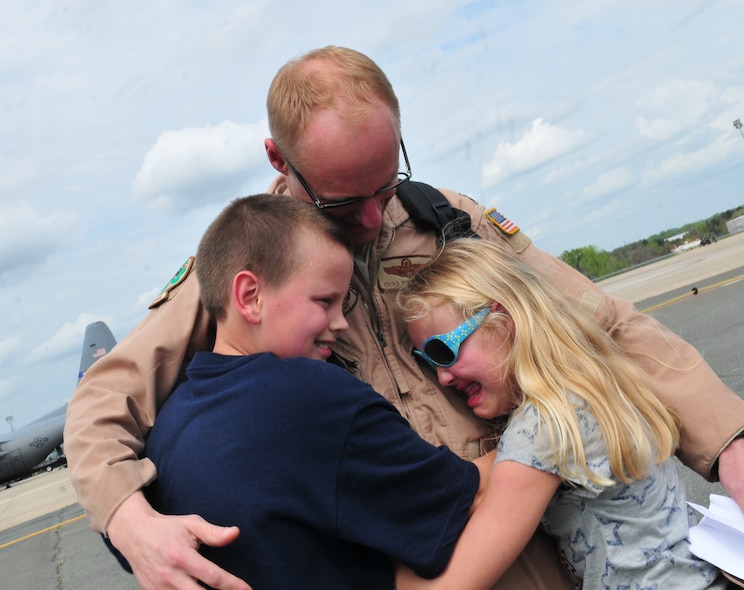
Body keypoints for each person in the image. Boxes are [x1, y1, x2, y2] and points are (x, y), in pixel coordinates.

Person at [64, 46, 744, 589]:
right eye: (340, 202)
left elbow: (601, 324)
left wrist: (729, 442)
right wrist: (130, 522)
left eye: (382, 187)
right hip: (431, 556)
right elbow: (103, 399)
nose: (369, 220)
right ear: (280, 160)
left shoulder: (446, 218)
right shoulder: (254, 265)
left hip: (549, 547)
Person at [113, 194, 484, 588]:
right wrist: (539, 430)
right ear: (250, 297)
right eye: (325, 301)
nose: (340, 323)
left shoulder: (168, 423)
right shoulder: (309, 396)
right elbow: (461, 498)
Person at [392, 238, 726, 589]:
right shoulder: (589, 386)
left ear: (503, 318)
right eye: (426, 361)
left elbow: (455, 584)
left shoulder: (543, 428)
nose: (442, 376)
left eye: (443, 350)